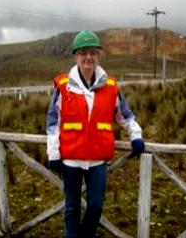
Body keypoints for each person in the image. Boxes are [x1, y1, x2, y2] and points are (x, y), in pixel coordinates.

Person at [46, 30, 145, 238]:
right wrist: (53, 154)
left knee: (96, 206)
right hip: (71, 159)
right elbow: (53, 122)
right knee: (71, 207)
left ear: (98, 56)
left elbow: (125, 115)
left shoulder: (110, 86)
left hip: (98, 160)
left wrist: (135, 135)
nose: (88, 58)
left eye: (92, 52)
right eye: (83, 53)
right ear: (76, 56)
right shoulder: (64, 86)